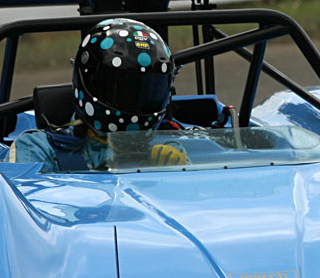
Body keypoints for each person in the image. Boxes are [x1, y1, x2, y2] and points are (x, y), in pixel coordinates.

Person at [10, 17, 187, 171]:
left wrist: (178, 172)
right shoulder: (38, 149)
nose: (136, 99)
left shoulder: (174, 148)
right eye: (124, 89)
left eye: (149, 89)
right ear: (90, 82)